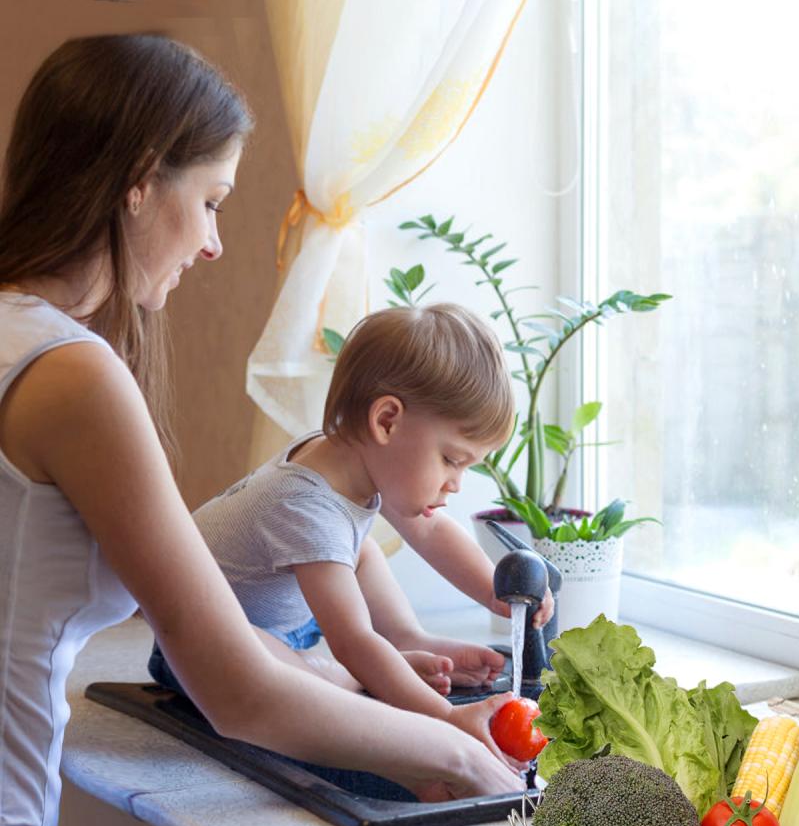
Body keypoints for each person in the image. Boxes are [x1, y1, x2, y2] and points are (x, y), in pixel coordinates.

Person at [0, 34, 520, 826]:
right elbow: (240, 688)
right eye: (211, 202)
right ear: (139, 182)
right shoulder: (70, 375)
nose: (213, 241)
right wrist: (456, 745)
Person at [146, 304, 554, 744]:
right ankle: (350, 676)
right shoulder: (309, 508)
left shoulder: (358, 458)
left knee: (360, 550)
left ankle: (403, 640)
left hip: (287, 622)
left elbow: (431, 529)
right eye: (451, 460)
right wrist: (445, 718)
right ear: (386, 421)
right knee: (313, 685)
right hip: (199, 650)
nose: (456, 483)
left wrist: (500, 595)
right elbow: (354, 641)